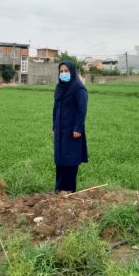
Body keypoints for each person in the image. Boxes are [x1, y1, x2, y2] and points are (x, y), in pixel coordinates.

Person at [52, 60, 88, 193]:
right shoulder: (60, 88)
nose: (63, 74)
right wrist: (54, 127)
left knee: (70, 161)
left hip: (72, 131)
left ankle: (69, 191)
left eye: (66, 71)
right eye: (61, 71)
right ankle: (59, 190)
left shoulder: (78, 88)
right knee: (60, 160)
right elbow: (55, 109)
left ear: (72, 72)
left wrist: (78, 128)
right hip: (60, 130)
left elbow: (82, 109)